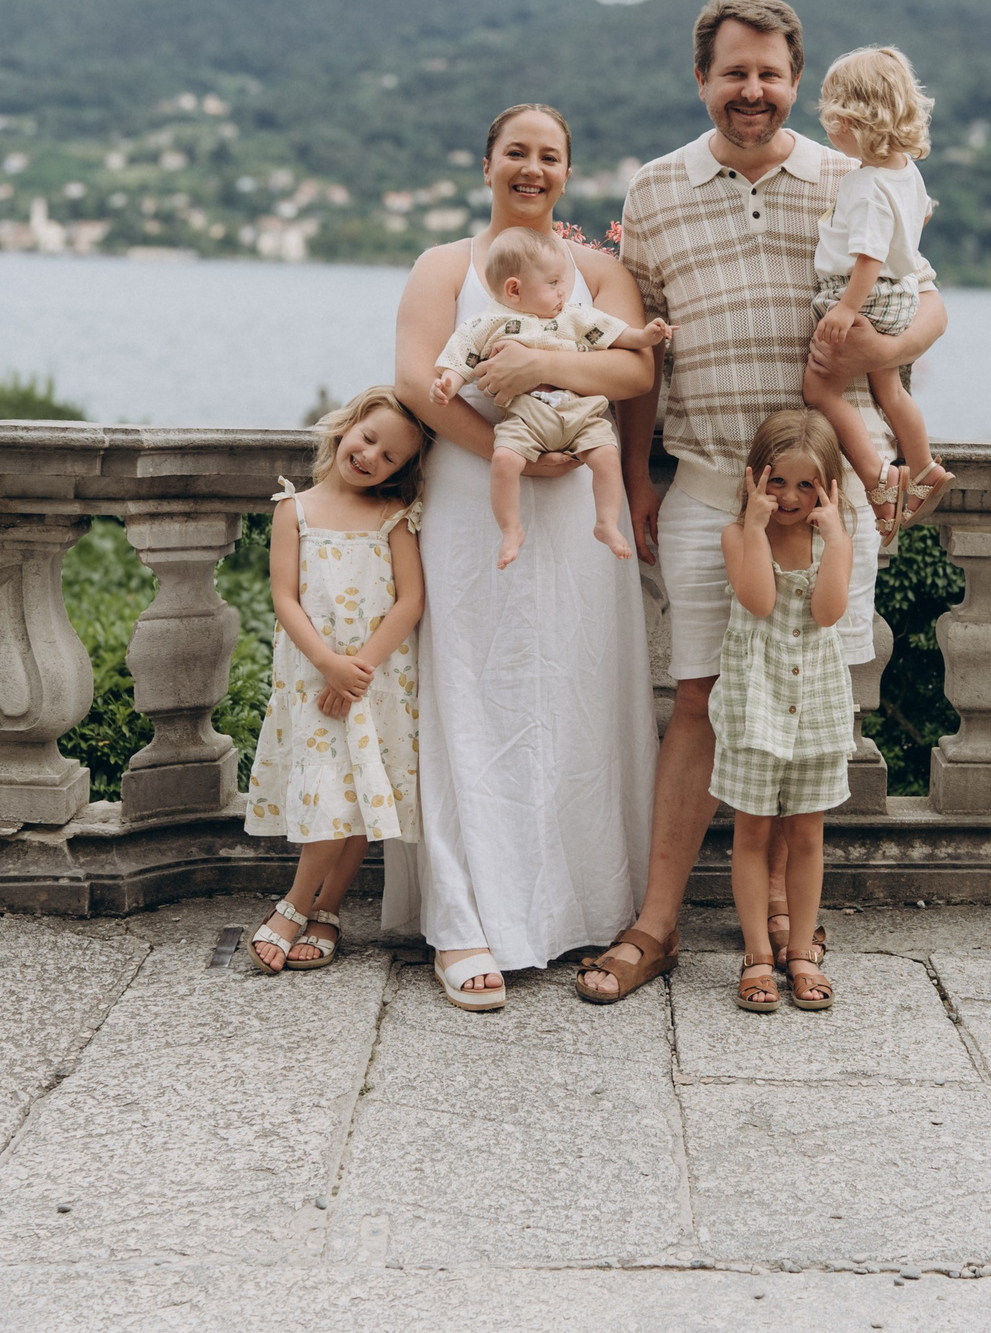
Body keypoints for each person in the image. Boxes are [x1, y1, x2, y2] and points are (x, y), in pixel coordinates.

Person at [579, 0, 947, 1004]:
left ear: (795, 80)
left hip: (825, 504)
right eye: (732, 72)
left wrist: (887, 347)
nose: (751, 91)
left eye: (769, 74)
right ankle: (656, 926)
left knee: (812, 707)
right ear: (701, 80)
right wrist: (643, 475)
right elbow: (641, 349)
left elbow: (928, 301)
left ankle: (789, 929)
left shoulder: (852, 173)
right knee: (698, 701)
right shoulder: (653, 192)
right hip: (704, 491)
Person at [394, 102, 660, 1009]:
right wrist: (510, 449)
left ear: (568, 173)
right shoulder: (445, 267)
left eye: (550, 155)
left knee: (581, 691)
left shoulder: (599, 270)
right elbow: (412, 379)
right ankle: (467, 918)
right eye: (517, 152)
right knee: (476, 689)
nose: (532, 168)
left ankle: (583, 901)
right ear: (487, 164)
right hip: (483, 500)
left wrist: (541, 375)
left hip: (586, 514)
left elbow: (635, 375)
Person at [243, 387, 430, 977]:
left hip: (374, 679)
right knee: (330, 789)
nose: (372, 456)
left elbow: (411, 600)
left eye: (390, 457)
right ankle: (307, 905)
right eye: (368, 438)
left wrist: (358, 670)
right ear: (346, 427)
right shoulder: (292, 509)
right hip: (312, 675)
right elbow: (284, 596)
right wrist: (328, 664)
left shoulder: (392, 516)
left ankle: (316, 907)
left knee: (357, 795)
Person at [431, 225, 674, 569]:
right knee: (504, 460)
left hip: (579, 412)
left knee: (605, 454)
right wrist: (449, 382)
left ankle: (605, 522)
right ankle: (511, 528)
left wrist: (647, 335)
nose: (563, 291)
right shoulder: (488, 322)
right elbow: (463, 355)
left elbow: (615, 334)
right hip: (525, 416)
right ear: (514, 289)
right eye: (553, 283)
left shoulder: (572, 315)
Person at [714, 410, 853, 1013]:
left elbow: (826, 614)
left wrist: (840, 537)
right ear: (755, 479)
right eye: (778, 482)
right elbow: (760, 600)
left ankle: (800, 949)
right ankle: (756, 955)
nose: (791, 497)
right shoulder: (736, 536)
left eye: (806, 485)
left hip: (816, 706)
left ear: (826, 488)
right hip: (756, 704)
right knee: (751, 831)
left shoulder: (831, 543)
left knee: (807, 833)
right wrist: (753, 527)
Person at [801, 45, 954, 542]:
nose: (828, 131)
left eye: (832, 119)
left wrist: (845, 308)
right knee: (889, 390)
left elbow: (867, 256)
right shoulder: (905, 170)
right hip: (900, 295)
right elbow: (915, 222)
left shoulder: (865, 185)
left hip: (865, 297)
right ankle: (925, 468)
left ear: (855, 120)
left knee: (819, 388)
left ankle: (881, 477)